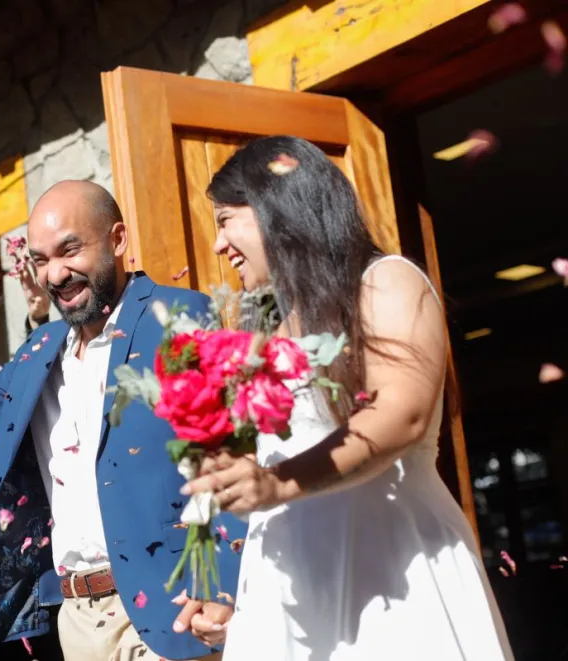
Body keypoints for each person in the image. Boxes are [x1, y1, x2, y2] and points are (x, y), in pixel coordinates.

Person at [0, 179, 246, 661]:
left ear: (118, 240)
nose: (55, 274)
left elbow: (238, 455)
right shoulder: (40, 351)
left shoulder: (179, 318)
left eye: (70, 251)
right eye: (41, 259)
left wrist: (221, 585)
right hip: (75, 622)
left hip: (171, 609)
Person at [177, 135, 513, 660]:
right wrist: (243, 611)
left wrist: (277, 484)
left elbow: (401, 413)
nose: (219, 246)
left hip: (391, 574)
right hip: (293, 601)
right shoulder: (265, 336)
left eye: (224, 220)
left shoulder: (386, 281)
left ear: (275, 207)